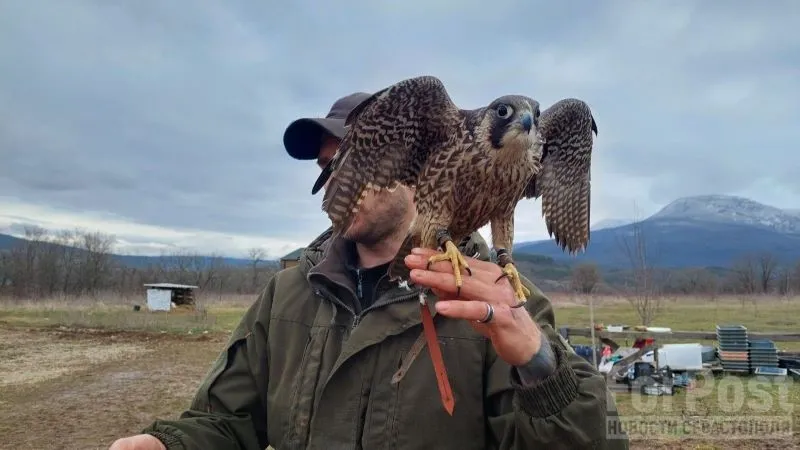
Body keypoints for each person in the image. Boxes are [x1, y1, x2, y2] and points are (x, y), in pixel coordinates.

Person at [109, 92, 628, 450]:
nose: (343, 180)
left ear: (413, 157)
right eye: (328, 169)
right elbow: (225, 422)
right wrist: (168, 444)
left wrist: (539, 365)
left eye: (359, 161)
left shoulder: (501, 302)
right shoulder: (288, 293)